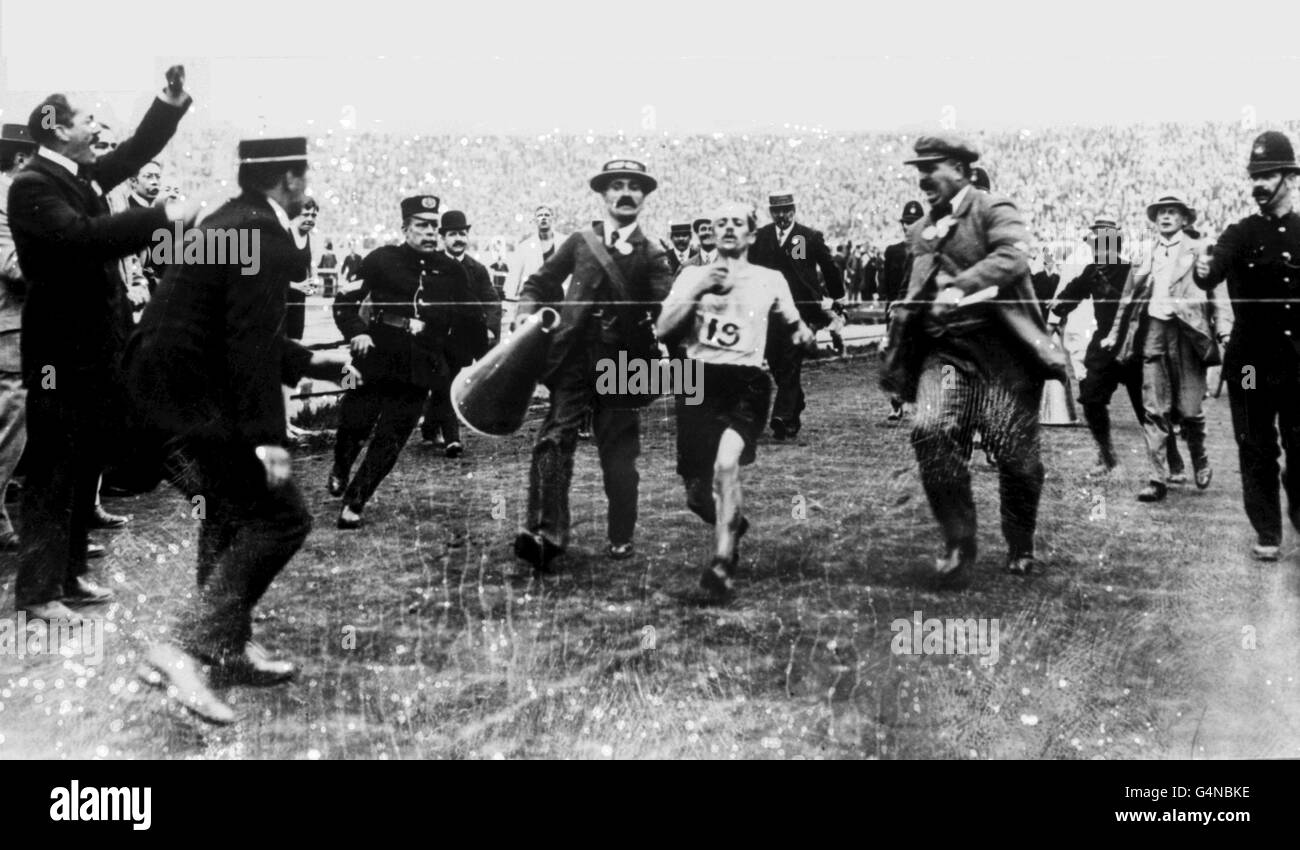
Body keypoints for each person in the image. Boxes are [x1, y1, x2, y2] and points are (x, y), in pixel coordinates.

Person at [126, 136, 351, 724]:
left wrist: (308, 362)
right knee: (281, 518)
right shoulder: (268, 236)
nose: (308, 186)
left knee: (227, 512)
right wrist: (270, 439)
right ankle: (184, 647)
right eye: (305, 176)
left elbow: (230, 328)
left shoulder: (229, 220)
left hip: (158, 393)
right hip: (190, 403)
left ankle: (222, 646)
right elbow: (247, 348)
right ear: (291, 179)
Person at [6, 68, 195, 620]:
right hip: (60, 355)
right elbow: (78, 240)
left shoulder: (79, 175)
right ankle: (38, 594)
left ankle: (66, 577)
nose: (98, 127)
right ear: (60, 130)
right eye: (89, 119)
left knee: (81, 460)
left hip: (92, 347)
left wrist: (169, 104)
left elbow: (135, 152)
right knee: (52, 471)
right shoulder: (34, 184)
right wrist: (163, 217)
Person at [882, 135, 1067, 587]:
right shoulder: (922, 228)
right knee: (929, 431)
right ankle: (959, 541)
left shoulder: (993, 208)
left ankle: (1020, 541)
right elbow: (913, 292)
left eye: (933, 166)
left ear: (962, 169)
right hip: (948, 355)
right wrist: (899, 343)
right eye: (918, 168)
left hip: (1005, 353)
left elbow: (1013, 257)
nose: (923, 176)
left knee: (1016, 457)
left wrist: (960, 286)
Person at [513, 159, 674, 570]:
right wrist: (524, 312)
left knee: (618, 456)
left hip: (622, 364)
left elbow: (666, 309)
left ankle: (621, 532)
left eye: (633, 187)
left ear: (644, 197)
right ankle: (546, 535)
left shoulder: (653, 254)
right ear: (603, 196)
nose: (624, 193)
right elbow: (538, 282)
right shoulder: (582, 242)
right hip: (573, 359)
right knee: (553, 439)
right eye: (616, 186)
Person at [657, 202, 812, 599]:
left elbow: (795, 323)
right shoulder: (691, 274)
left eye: (736, 223)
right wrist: (699, 288)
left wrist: (802, 334)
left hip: (747, 382)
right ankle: (731, 521)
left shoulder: (770, 278)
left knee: (727, 464)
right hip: (697, 382)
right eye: (719, 222)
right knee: (696, 494)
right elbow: (664, 328)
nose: (726, 228)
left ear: (750, 234)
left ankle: (723, 561)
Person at [330, 195, 480, 528]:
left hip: (422, 365)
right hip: (376, 357)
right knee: (355, 423)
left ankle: (356, 499)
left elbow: (470, 316)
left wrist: (476, 359)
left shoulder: (452, 270)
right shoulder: (381, 259)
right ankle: (341, 466)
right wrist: (357, 331)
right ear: (405, 228)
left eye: (433, 227)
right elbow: (344, 301)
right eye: (421, 226)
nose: (429, 233)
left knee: (391, 439)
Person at [1192, 130, 1300, 561]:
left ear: (1289, 177)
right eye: (1254, 176)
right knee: (1255, 446)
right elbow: (1209, 273)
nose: (1258, 184)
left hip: (1296, 363)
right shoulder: (1239, 232)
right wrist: (1202, 267)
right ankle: (1268, 533)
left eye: (1267, 174)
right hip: (1251, 364)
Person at [1102, 192, 1231, 502]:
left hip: (1190, 334)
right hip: (1155, 332)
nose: (1166, 217)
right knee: (1154, 408)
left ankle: (1199, 457)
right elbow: (1128, 297)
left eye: (1173, 212)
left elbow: (1218, 294)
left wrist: (1224, 330)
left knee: (1189, 410)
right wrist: (1114, 333)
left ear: (1185, 219)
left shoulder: (1201, 249)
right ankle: (1156, 478)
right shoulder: (1147, 252)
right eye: (1161, 212)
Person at [748, 191, 845, 439]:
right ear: (771, 212)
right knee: (776, 361)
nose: (782, 215)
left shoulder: (806, 237)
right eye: (777, 211)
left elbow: (829, 267)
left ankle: (783, 418)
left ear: (794, 210)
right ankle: (795, 400)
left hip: (800, 311)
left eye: (786, 210)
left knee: (790, 362)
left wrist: (838, 296)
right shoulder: (761, 237)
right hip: (768, 311)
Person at [420, 209, 501, 456]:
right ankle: (452, 439)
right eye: (453, 234)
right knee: (445, 382)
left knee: (447, 382)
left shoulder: (477, 269)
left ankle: (429, 427)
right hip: (435, 337)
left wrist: (489, 327)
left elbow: (492, 301)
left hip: (464, 340)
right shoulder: (429, 265)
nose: (458, 239)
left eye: (462, 234)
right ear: (443, 237)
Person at [0, 123, 36, 553]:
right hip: (9, 326)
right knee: (12, 425)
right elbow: (14, 265)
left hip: (16, 325)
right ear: (22, 159)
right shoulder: (5, 198)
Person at [881, 200, 924, 421]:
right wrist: (890, 309)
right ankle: (896, 402)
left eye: (915, 222)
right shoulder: (894, 252)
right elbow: (888, 285)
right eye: (907, 223)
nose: (910, 227)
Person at [505, 204, 565, 329]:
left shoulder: (564, 242)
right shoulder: (524, 247)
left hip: (560, 301)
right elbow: (513, 278)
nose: (543, 218)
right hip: (534, 301)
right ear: (534, 220)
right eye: (540, 215)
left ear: (552, 218)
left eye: (547, 215)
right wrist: (509, 308)